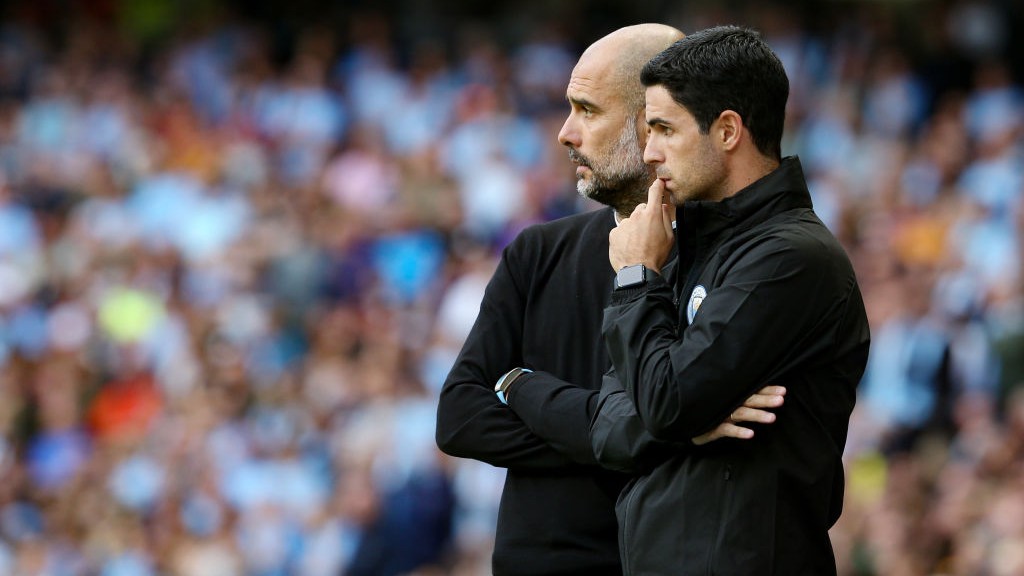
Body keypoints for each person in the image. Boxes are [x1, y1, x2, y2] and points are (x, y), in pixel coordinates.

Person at [435, 24, 786, 576]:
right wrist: (651, 436)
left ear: (651, 122)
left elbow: (733, 435)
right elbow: (460, 417)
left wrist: (528, 393)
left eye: (587, 110)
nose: (564, 133)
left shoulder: (737, 265)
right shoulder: (536, 252)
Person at [592, 26, 871, 575]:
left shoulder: (790, 259)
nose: (649, 153)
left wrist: (633, 278)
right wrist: (682, 424)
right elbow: (608, 424)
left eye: (664, 129)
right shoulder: (684, 242)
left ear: (726, 131)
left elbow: (665, 399)